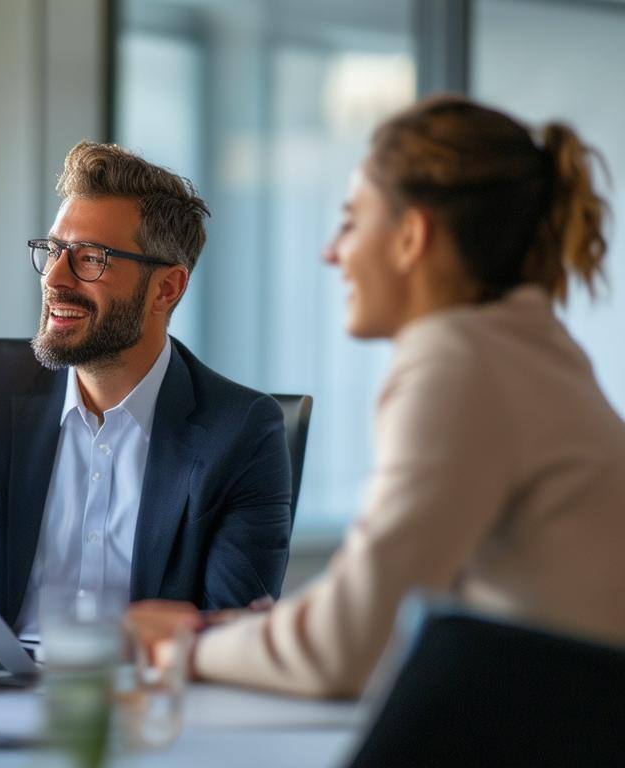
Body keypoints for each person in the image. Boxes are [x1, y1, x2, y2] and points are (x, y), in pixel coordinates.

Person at [131, 95, 625, 698]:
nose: (331, 252)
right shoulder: (525, 348)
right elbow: (385, 605)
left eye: (351, 222)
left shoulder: (458, 360)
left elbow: (345, 651)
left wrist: (182, 644)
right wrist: (238, 632)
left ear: (411, 237)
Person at [0, 141, 295, 675]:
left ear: (166, 289)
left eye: (91, 259)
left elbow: (232, 628)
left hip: (137, 708)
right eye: (53, 251)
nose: (55, 279)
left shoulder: (241, 431)